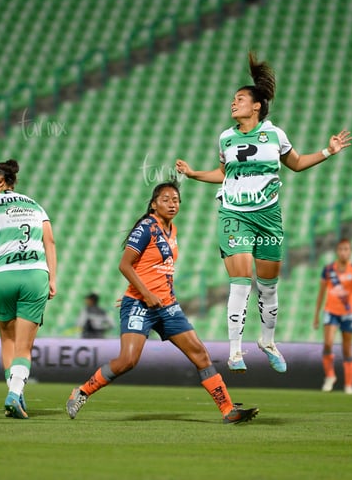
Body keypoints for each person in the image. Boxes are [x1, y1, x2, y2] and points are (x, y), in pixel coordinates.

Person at [175, 52, 351, 374]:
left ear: (256, 105)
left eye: (239, 98)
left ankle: (268, 342)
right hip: (234, 213)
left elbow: (295, 164)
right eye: (233, 99)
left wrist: (328, 151)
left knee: (269, 288)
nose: (233, 103)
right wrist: (194, 173)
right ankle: (234, 352)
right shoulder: (226, 137)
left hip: (268, 216)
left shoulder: (275, 134)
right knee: (240, 282)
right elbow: (223, 173)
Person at [66, 181, 258, 424]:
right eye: (166, 199)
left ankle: (228, 409)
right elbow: (124, 265)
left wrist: (150, 290)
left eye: (176, 200)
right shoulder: (147, 227)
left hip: (167, 305)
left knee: (200, 354)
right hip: (140, 305)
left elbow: (154, 268)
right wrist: (143, 293)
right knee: (128, 361)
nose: (172, 204)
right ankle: (81, 392)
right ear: (154, 204)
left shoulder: (172, 229)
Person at [0, 159, 56, 419]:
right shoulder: (35, 205)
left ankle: (15, 393)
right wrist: (52, 278)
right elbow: (50, 242)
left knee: (8, 341)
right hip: (35, 274)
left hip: (4, 276)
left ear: (0, 181)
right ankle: (15, 392)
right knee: (24, 347)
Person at [313, 238, 352, 394]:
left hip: (349, 313)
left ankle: (349, 385)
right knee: (328, 343)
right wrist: (316, 315)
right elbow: (321, 293)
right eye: (341, 249)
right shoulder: (329, 270)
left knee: (347, 349)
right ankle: (330, 376)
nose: (343, 252)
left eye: (346, 249)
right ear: (337, 251)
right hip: (331, 311)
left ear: (351, 252)